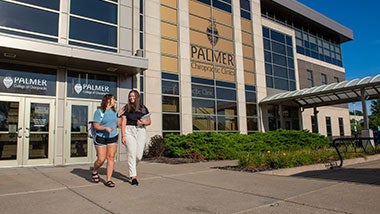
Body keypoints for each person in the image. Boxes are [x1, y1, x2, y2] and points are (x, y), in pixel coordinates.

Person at [120, 89, 151, 186]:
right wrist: (123, 135)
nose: (131, 98)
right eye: (130, 96)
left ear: (137, 97)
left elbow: (149, 121)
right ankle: (133, 177)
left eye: (133, 96)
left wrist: (143, 122)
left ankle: (132, 166)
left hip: (140, 130)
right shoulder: (126, 108)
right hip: (129, 131)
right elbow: (123, 121)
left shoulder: (143, 108)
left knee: (139, 156)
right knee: (131, 154)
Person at [91, 94, 122, 188]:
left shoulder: (115, 112)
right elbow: (96, 126)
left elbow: (119, 125)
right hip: (101, 137)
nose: (115, 101)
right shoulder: (99, 112)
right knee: (101, 159)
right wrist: (105, 128)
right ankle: (94, 171)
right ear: (108, 100)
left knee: (111, 157)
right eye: (113, 99)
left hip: (112, 137)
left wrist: (119, 115)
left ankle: (108, 179)